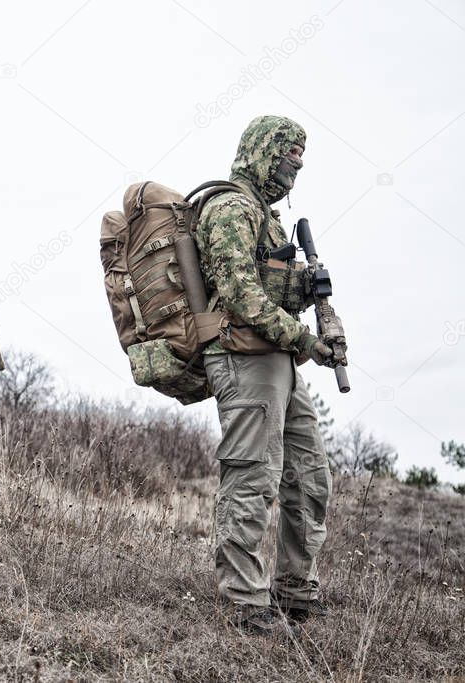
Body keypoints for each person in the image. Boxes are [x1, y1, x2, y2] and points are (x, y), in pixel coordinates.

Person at [195, 115, 337, 635]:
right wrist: (306, 340)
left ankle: (295, 591)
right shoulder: (232, 207)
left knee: (309, 474)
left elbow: (267, 288)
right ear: (261, 152)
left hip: (278, 360)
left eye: (299, 162)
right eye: (286, 159)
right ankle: (244, 603)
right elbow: (239, 293)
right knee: (253, 477)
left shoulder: (268, 217)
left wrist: (306, 287)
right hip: (244, 357)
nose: (293, 170)